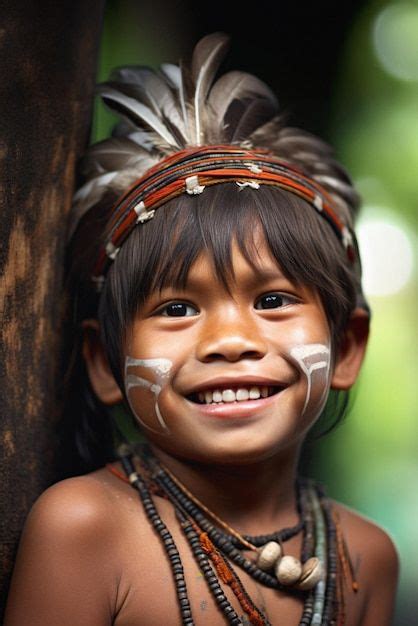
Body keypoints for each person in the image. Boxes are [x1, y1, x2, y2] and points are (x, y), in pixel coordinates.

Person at [4, 33, 398, 626]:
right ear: (106, 363)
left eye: (272, 299)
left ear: (345, 348)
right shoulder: (86, 528)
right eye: (178, 309)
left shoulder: (365, 556)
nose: (230, 340)